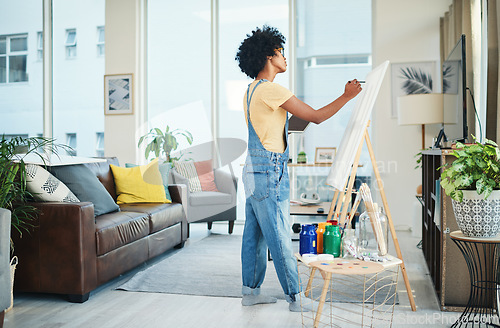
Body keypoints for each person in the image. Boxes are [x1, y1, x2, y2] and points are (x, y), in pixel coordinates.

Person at [235, 25, 362, 312]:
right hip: (269, 171)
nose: (284, 57)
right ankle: (295, 297)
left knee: (254, 234)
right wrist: (347, 96)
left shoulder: (251, 91)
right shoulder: (272, 90)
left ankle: (250, 292)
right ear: (269, 56)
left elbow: (284, 125)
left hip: (254, 170)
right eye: (280, 52)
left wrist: (301, 115)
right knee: (279, 234)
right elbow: (316, 117)